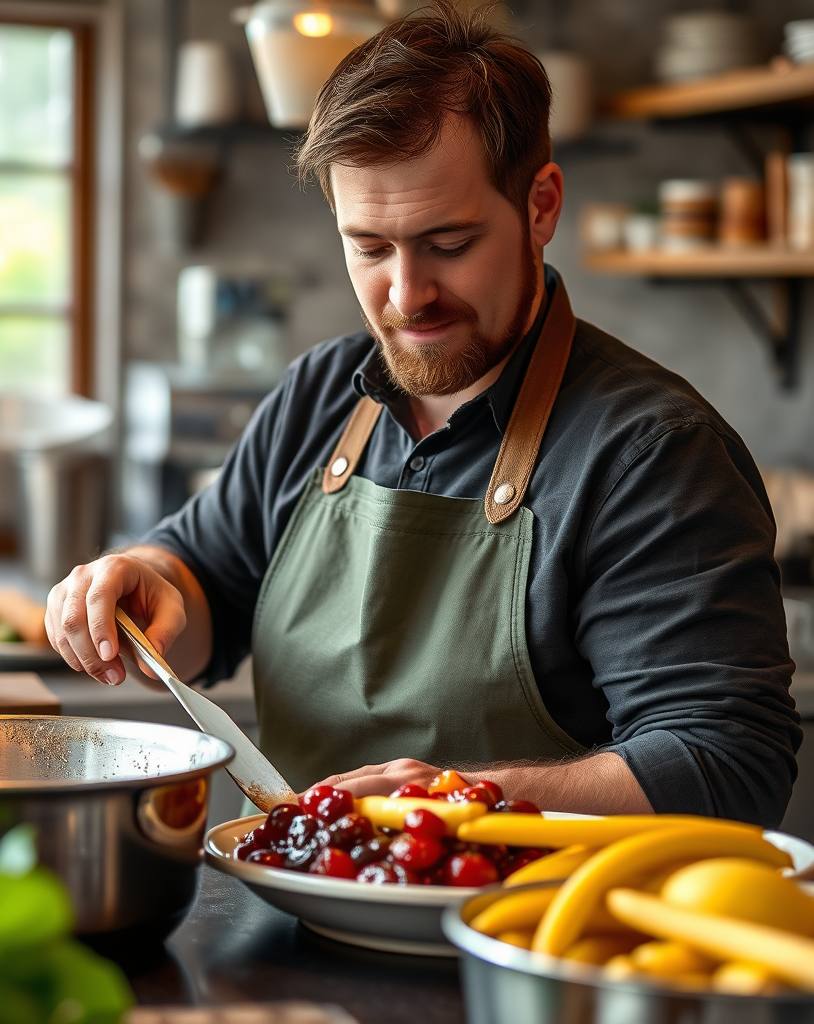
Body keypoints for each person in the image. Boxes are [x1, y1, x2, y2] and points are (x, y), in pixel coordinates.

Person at [46, 4, 800, 825]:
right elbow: (205, 584)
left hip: (521, 939)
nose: (406, 295)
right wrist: (141, 587)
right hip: (284, 926)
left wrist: (459, 802)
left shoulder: (652, 454)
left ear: (541, 206)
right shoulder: (320, 394)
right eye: (369, 247)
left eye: (448, 242)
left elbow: (726, 762)